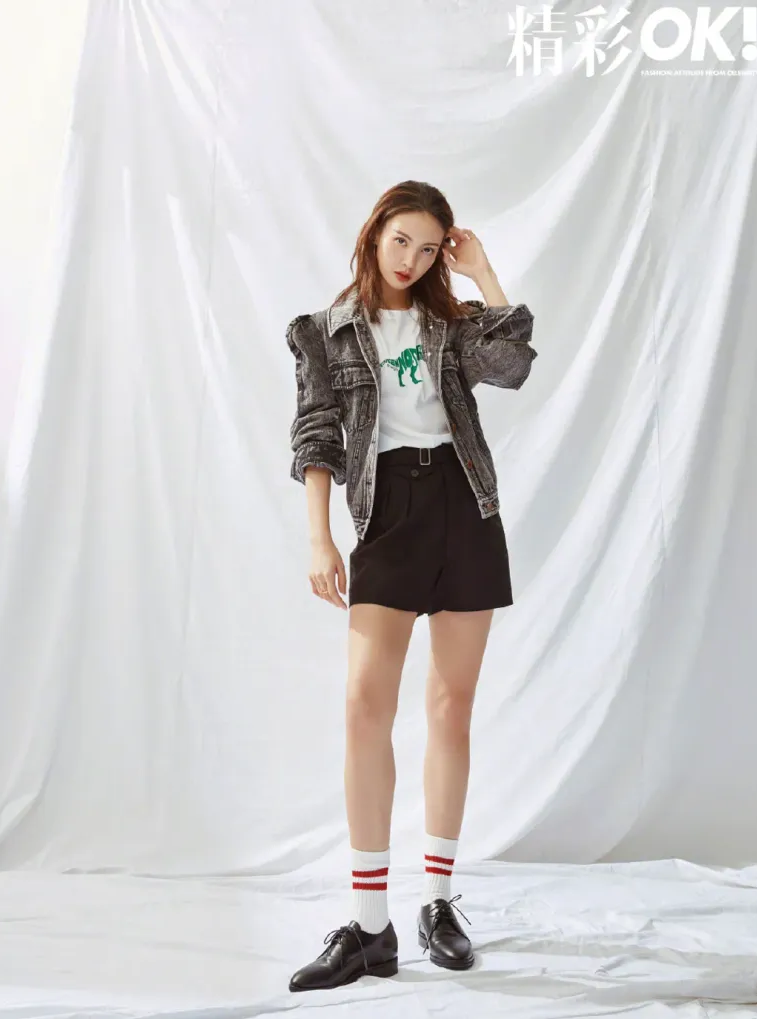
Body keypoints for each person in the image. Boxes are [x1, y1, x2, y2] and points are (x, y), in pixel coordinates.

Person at [285, 180, 537, 992]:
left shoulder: (451, 323)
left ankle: (438, 902)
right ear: (373, 234)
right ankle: (369, 926)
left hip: (466, 508)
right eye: (402, 240)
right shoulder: (323, 331)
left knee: (450, 707)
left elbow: (512, 365)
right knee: (365, 703)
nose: (412, 259)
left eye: (429, 249)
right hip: (387, 512)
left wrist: (481, 272)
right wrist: (319, 535)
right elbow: (317, 435)